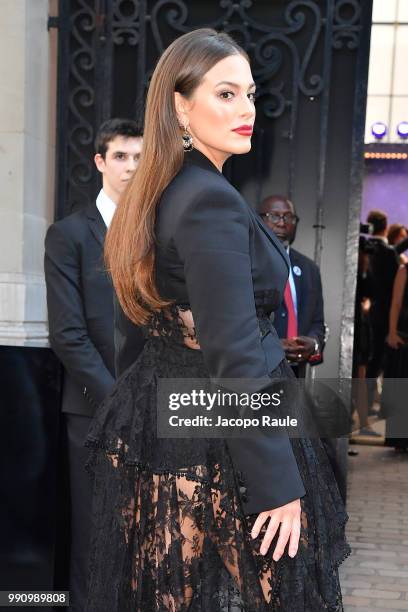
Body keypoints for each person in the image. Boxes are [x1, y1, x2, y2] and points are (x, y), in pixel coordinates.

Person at [85, 29, 350, 611]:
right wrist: (276, 483)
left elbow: (141, 327)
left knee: (170, 595)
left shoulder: (163, 189)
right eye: (226, 94)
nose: (247, 109)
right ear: (181, 104)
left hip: (173, 425)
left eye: (251, 95)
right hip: (223, 436)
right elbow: (231, 354)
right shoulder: (208, 199)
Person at [44, 118, 144, 611]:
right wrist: (117, 401)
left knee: (146, 537)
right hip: (93, 411)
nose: (130, 168)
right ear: (100, 162)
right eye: (121, 157)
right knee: (95, 538)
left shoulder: (158, 234)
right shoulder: (68, 236)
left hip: (154, 411)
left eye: (140, 158)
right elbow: (68, 334)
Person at [258, 195, 324, 378]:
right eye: (274, 216)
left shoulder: (309, 268)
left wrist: (313, 343)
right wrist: (271, 345)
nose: (282, 223)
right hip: (257, 371)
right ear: (259, 220)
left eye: (288, 217)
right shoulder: (247, 265)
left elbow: (318, 322)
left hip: (295, 374)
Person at [365, 209, 399, 411]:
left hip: (369, 312)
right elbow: (395, 287)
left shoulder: (364, 248)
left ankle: (365, 406)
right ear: (385, 227)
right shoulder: (389, 253)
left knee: (368, 360)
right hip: (387, 313)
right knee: (381, 360)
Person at [383, 263, 408, 451]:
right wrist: (392, 332)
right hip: (404, 336)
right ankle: (400, 440)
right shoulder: (404, 270)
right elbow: (396, 303)